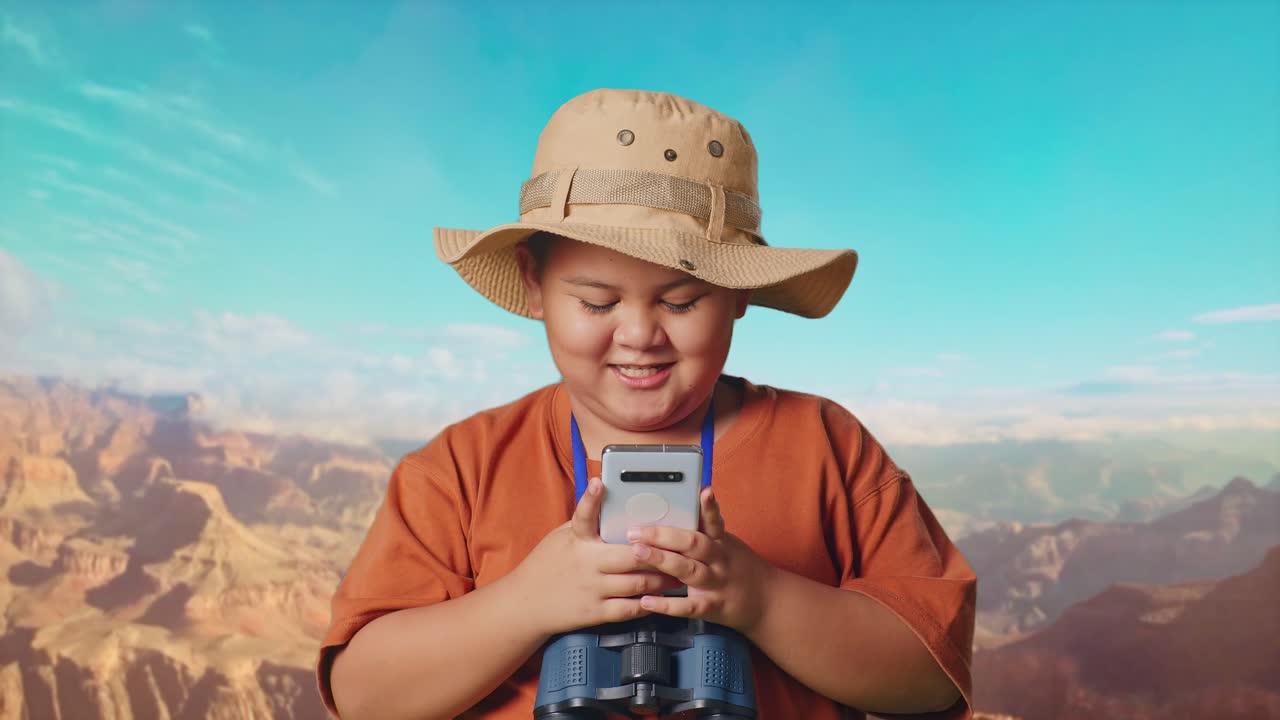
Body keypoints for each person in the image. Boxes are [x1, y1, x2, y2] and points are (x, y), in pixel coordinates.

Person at [315, 88, 976, 720]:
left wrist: (761, 600)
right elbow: (364, 695)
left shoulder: (825, 446)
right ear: (533, 283)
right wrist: (523, 606)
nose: (638, 335)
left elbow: (929, 674)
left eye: (681, 301)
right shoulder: (461, 468)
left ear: (738, 295)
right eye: (597, 302)